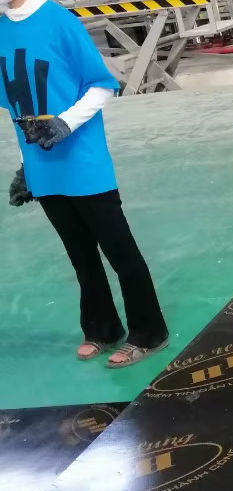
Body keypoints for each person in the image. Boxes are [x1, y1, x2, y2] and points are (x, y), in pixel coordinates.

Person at [1, 0, 169, 367]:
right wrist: (26, 167)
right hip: (43, 168)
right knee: (80, 255)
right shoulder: (2, 30)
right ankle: (102, 328)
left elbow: (102, 84)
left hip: (82, 161)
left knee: (120, 252)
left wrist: (65, 123)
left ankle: (149, 332)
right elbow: (20, 109)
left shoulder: (58, 20)